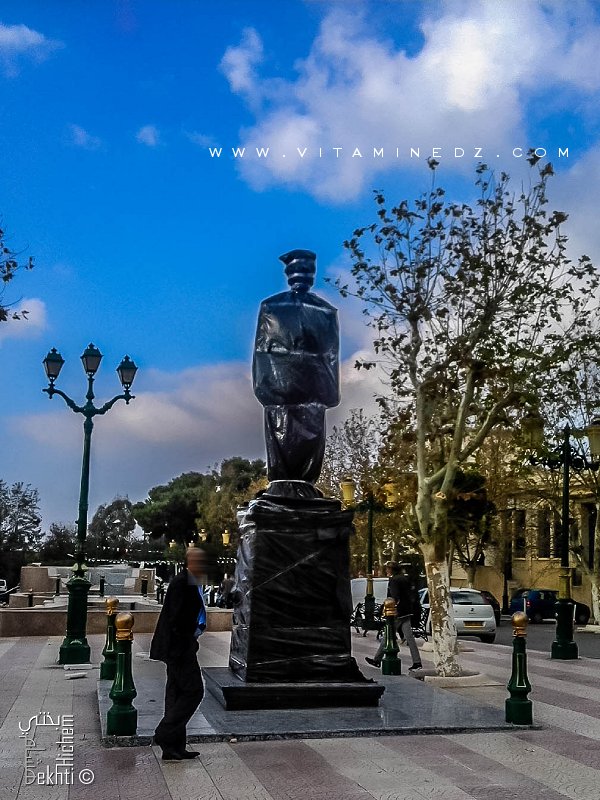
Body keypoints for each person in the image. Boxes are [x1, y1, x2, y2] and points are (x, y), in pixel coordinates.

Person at [252, 249, 340, 483]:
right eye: (298, 271)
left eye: (306, 271)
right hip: (284, 394)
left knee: (304, 445)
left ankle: (298, 486)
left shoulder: (324, 311)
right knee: (285, 441)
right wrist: (266, 389)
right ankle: (287, 485)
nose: (301, 277)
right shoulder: (273, 307)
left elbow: (330, 354)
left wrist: (328, 394)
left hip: (305, 394)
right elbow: (263, 351)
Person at [150, 547, 207, 760]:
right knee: (194, 691)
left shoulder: (189, 581)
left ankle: (174, 747)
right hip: (179, 648)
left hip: (178, 646)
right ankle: (165, 733)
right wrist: (189, 641)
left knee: (176, 693)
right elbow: (177, 619)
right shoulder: (183, 582)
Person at [365, 562, 422, 673]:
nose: (386, 571)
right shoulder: (405, 579)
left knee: (388, 635)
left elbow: (394, 597)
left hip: (397, 612)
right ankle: (417, 662)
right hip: (407, 611)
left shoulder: (394, 580)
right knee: (409, 637)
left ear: (391, 570)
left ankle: (377, 660)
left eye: (387, 569)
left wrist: (385, 608)